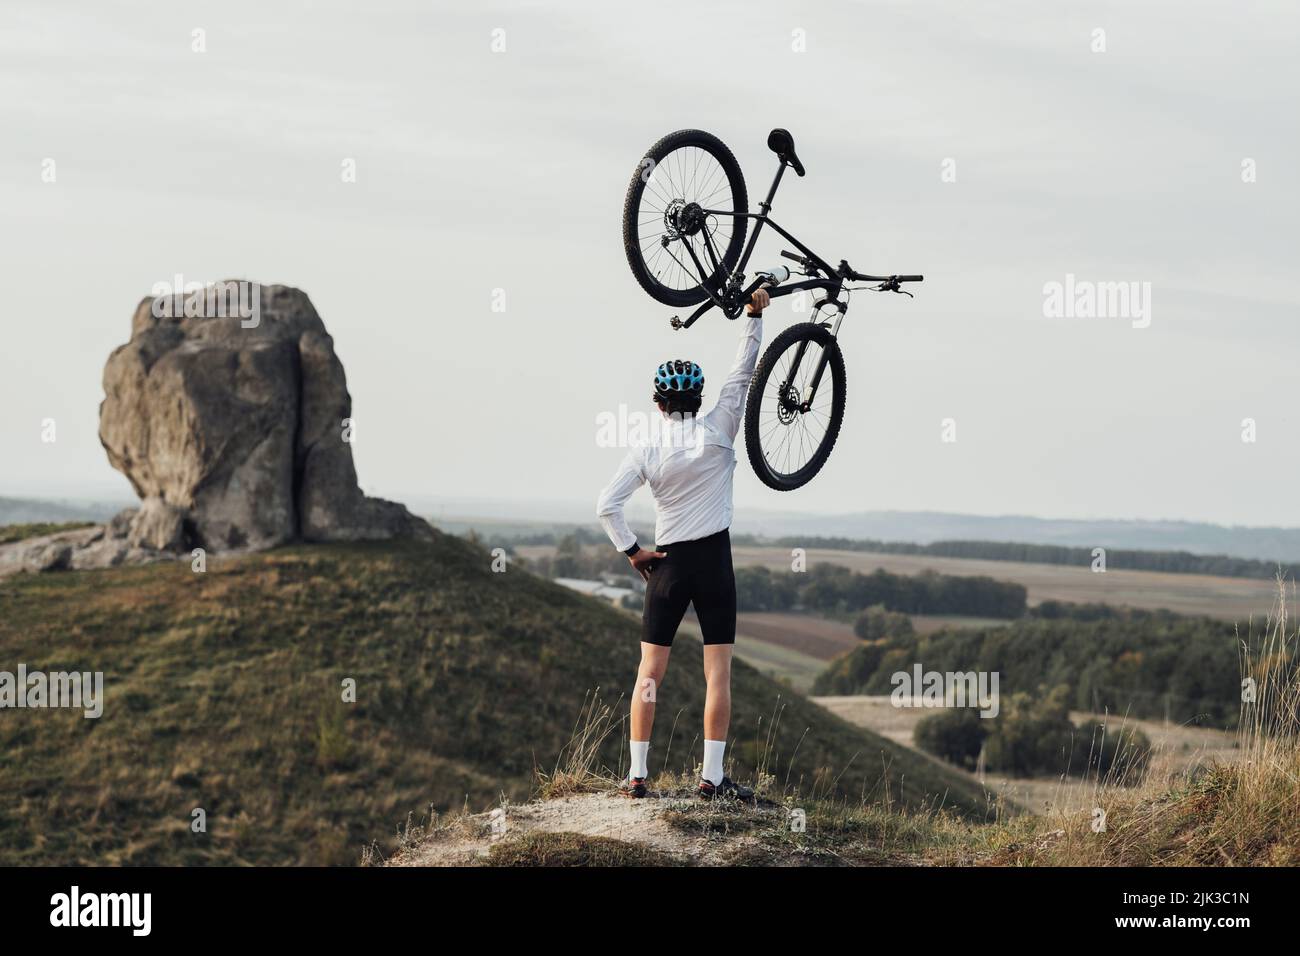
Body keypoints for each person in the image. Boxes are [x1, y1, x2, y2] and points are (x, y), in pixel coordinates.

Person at [596, 286, 771, 800]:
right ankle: (711, 778)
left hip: (667, 567)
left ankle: (636, 775)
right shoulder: (721, 426)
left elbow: (607, 503)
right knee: (718, 675)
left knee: (650, 672)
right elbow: (745, 370)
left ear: (657, 403)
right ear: (698, 399)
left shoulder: (647, 447)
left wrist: (632, 551)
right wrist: (754, 317)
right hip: (715, 562)